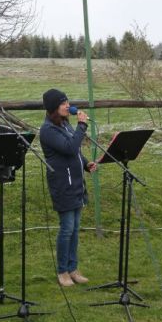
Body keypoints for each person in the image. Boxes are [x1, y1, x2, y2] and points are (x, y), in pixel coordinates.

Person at [39, 88, 97, 286]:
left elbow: (75, 152)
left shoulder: (64, 125)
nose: (67, 105)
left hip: (77, 184)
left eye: (67, 101)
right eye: (63, 103)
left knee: (75, 229)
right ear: (54, 107)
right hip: (63, 186)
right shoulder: (48, 130)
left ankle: (73, 268)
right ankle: (62, 271)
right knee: (67, 229)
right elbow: (69, 147)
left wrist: (86, 164)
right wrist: (82, 125)